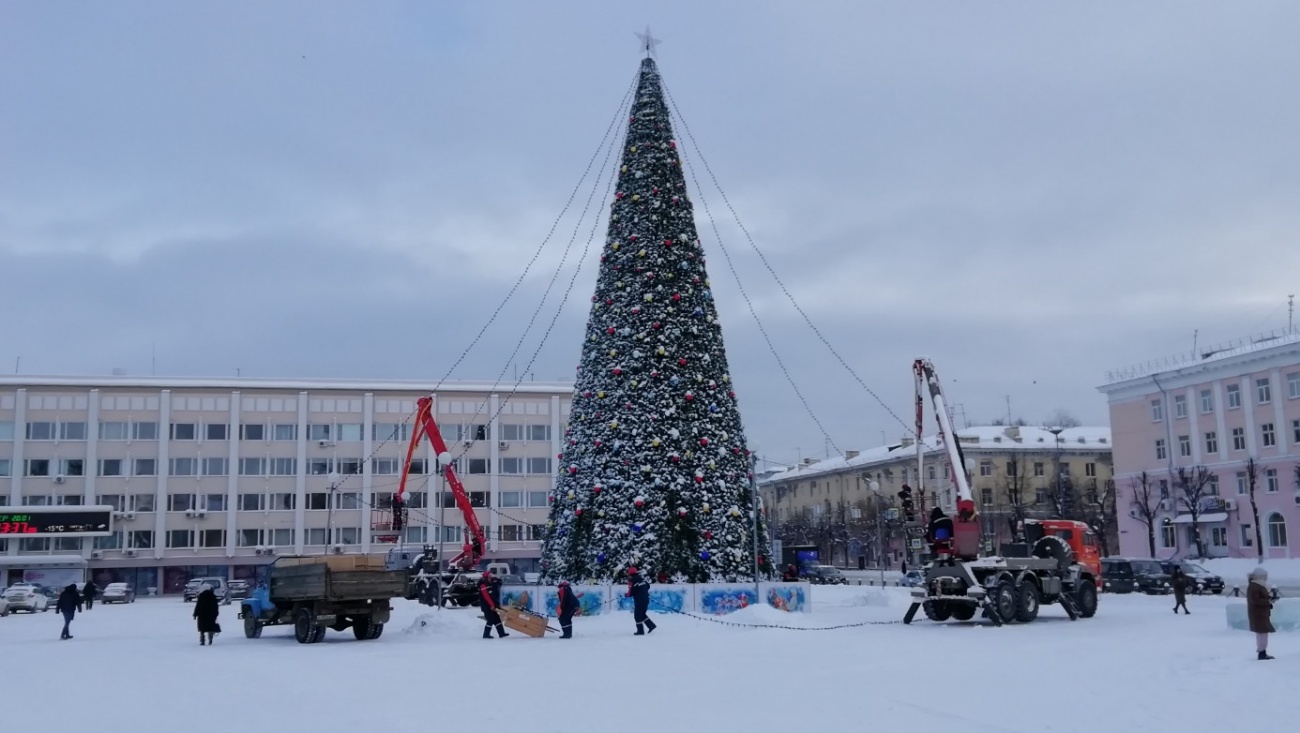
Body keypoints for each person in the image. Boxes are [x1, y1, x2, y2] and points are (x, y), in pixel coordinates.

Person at [1247, 567, 1275, 660]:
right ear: (1260, 577)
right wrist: (1268, 602)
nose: (1266, 578)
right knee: (1262, 634)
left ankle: (1263, 652)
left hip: (1260, 614)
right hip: (1258, 615)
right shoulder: (1255, 586)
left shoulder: (1257, 585)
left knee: (1262, 634)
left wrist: (1269, 599)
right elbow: (1255, 600)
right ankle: (1262, 653)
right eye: (1264, 576)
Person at [626, 566, 656, 635]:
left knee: (637, 615)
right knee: (642, 614)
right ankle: (651, 626)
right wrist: (643, 592)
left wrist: (626, 595)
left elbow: (630, 592)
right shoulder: (642, 579)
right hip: (646, 599)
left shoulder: (632, 581)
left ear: (630, 574)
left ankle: (640, 631)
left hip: (639, 601)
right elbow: (648, 586)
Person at [478, 572, 508, 639]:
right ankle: (486, 634)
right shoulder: (483, 585)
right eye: (489, 577)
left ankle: (501, 633)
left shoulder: (489, 583)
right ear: (486, 578)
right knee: (490, 619)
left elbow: (497, 584)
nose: (490, 579)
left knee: (497, 619)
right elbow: (487, 597)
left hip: (491, 605)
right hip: (486, 606)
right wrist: (492, 605)